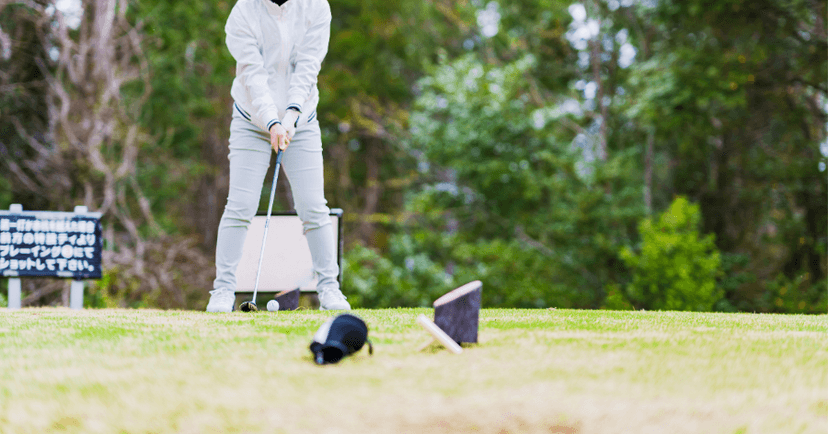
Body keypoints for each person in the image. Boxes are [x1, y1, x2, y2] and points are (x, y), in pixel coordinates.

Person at [206, 0, 349, 312]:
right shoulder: (244, 12)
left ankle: (330, 289)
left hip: (301, 121)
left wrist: (291, 115)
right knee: (240, 206)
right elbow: (252, 74)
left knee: (313, 207)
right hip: (250, 120)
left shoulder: (316, 7)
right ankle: (222, 291)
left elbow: (308, 65)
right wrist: (271, 121)